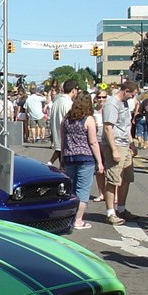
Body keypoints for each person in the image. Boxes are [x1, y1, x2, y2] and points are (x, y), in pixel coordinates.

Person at [60, 92, 103, 230]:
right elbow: (93, 142)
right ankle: (78, 220)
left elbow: (63, 140)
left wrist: (62, 158)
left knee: (71, 189)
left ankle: (69, 217)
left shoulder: (66, 119)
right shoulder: (88, 119)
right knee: (83, 190)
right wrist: (100, 162)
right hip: (85, 157)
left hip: (69, 156)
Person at [101, 80, 138, 224]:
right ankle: (110, 212)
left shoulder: (125, 103)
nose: (132, 98)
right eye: (132, 95)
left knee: (127, 178)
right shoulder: (112, 104)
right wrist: (114, 150)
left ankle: (121, 209)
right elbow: (108, 128)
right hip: (115, 144)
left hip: (125, 144)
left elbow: (127, 126)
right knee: (113, 179)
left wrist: (132, 143)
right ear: (126, 90)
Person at [48, 79, 77, 167]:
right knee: (65, 168)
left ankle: (50, 163)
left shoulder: (56, 102)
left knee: (62, 164)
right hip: (66, 140)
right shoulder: (69, 103)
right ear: (73, 90)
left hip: (57, 136)